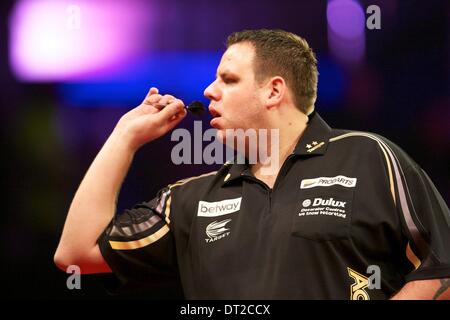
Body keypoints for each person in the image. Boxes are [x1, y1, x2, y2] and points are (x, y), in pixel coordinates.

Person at [54, 29, 450, 299]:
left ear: (273, 90)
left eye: (228, 79)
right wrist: (124, 137)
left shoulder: (369, 157)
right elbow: (75, 253)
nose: (209, 90)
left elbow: (442, 267)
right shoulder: (191, 198)